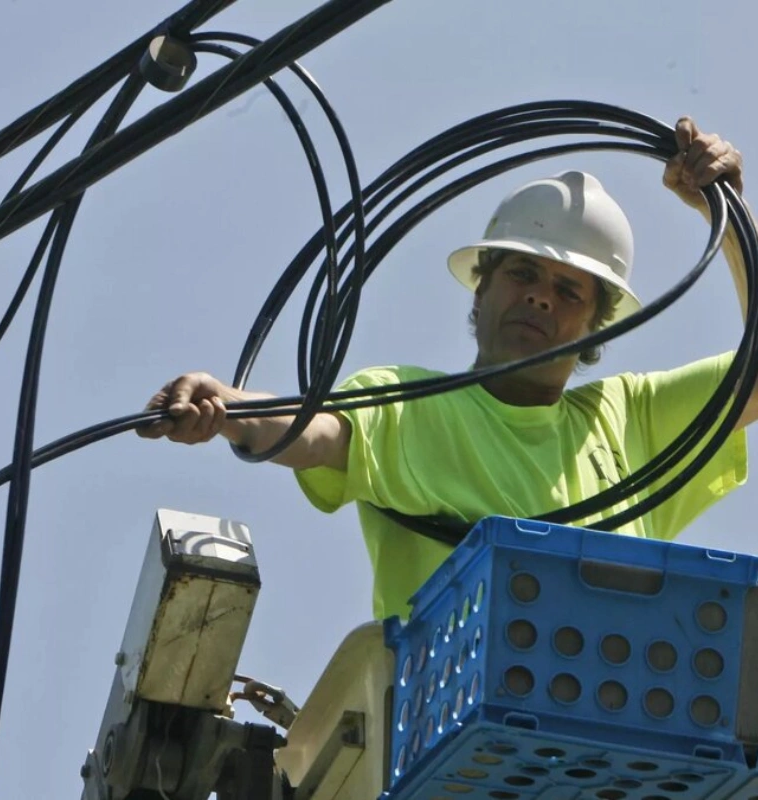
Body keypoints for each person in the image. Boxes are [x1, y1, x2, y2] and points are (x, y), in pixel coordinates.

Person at [139, 117, 752, 621]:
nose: (541, 297)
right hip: (457, 737)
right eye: (523, 274)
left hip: (608, 742)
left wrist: (725, 215)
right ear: (480, 291)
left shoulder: (629, 420)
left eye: (569, 291)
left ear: (596, 327)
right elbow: (318, 430)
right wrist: (232, 409)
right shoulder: (411, 404)